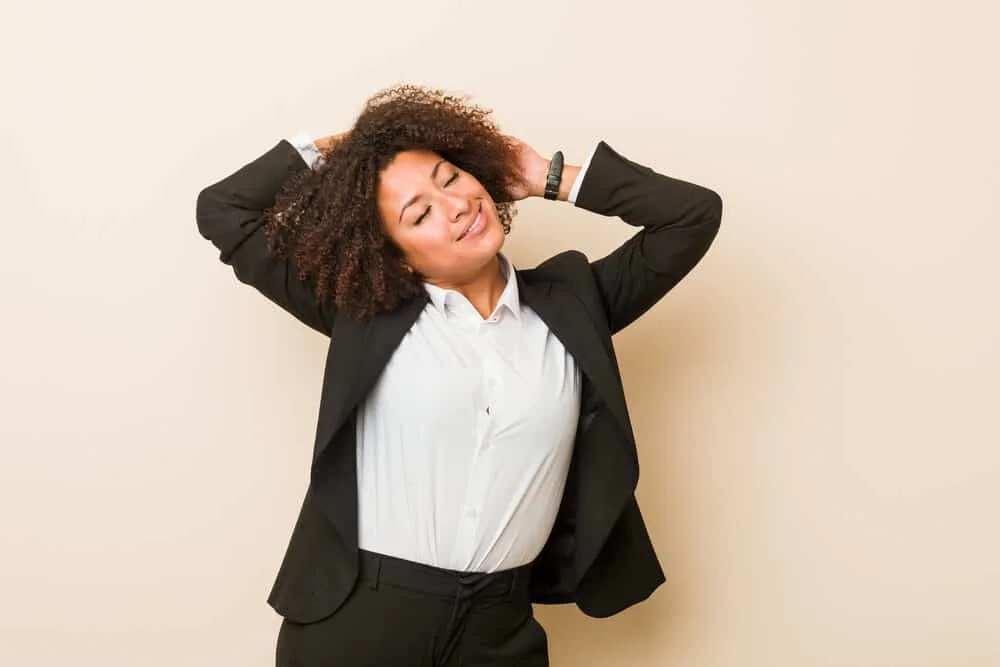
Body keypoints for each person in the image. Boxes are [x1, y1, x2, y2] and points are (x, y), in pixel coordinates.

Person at [196, 84, 722, 666]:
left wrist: (549, 176)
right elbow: (224, 210)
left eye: (450, 179)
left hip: (500, 629)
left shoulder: (576, 304)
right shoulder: (363, 315)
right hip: (358, 622)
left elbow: (692, 216)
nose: (454, 206)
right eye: (418, 212)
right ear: (395, 254)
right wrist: (351, 149)